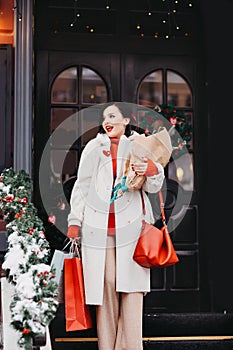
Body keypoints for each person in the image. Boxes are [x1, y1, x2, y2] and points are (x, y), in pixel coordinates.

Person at [66, 102, 165, 350]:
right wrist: (74, 222)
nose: (106, 121)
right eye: (104, 117)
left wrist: (153, 170)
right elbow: (82, 186)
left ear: (125, 121)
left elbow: (152, 187)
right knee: (106, 286)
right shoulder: (94, 147)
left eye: (112, 116)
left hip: (132, 230)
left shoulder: (139, 147)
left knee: (132, 291)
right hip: (99, 229)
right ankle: (107, 346)